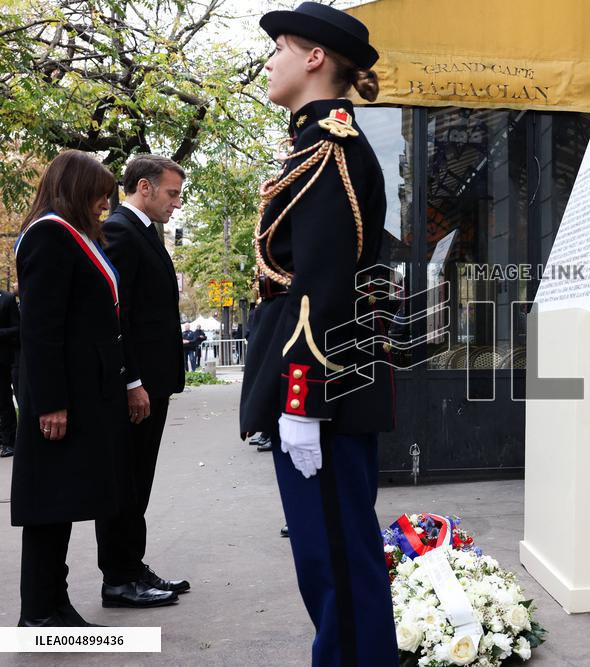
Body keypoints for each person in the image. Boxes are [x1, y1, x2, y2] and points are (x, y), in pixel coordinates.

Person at [240, 3, 397, 663]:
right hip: (326, 389)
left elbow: (322, 287)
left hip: (321, 394)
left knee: (335, 559)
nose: (268, 60)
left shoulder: (329, 149)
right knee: (328, 557)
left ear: (314, 59)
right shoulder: (313, 146)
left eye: (280, 47)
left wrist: (301, 403)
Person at [10, 150, 131, 626]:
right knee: (48, 504)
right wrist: (52, 403)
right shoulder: (49, 235)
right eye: (100, 193)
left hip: (83, 392)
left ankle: (53, 606)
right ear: (77, 188)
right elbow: (41, 329)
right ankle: (39, 616)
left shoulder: (73, 235)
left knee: (60, 502)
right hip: (59, 396)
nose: (105, 203)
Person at [95, 154, 188, 609]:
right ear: (145, 188)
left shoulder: (142, 231)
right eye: (171, 194)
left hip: (152, 382)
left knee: (139, 479)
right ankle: (118, 578)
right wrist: (131, 380)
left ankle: (132, 565)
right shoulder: (120, 230)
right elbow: (117, 315)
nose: (176, 203)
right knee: (126, 480)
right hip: (137, 385)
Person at [0, 285, 19, 458]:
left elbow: (17, 329)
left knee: (4, 400)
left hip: (3, 360)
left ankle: (8, 442)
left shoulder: (7, 298)